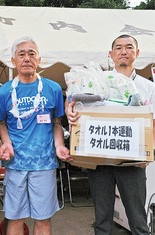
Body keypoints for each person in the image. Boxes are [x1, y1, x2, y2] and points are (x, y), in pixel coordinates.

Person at [66, 34, 155, 235]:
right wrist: (69, 110)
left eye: (129, 47)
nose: (124, 51)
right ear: (111, 54)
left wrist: (149, 153)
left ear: (137, 53)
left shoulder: (149, 87)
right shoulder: (98, 81)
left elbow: (153, 124)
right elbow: (74, 101)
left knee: (138, 220)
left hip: (132, 161)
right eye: (119, 48)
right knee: (102, 219)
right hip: (100, 160)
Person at [0, 36, 72, 235]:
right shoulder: (4, 92)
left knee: (43, 218)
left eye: (32, 54)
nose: (27, 58)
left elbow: (56, 123)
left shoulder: (53, 88)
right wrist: (6, 143)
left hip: (44, 163)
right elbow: (1, 123)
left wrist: (59, 146)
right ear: (13, 61)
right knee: (15, 217)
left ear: (39, 59)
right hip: (15, 163)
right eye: (21, 54)